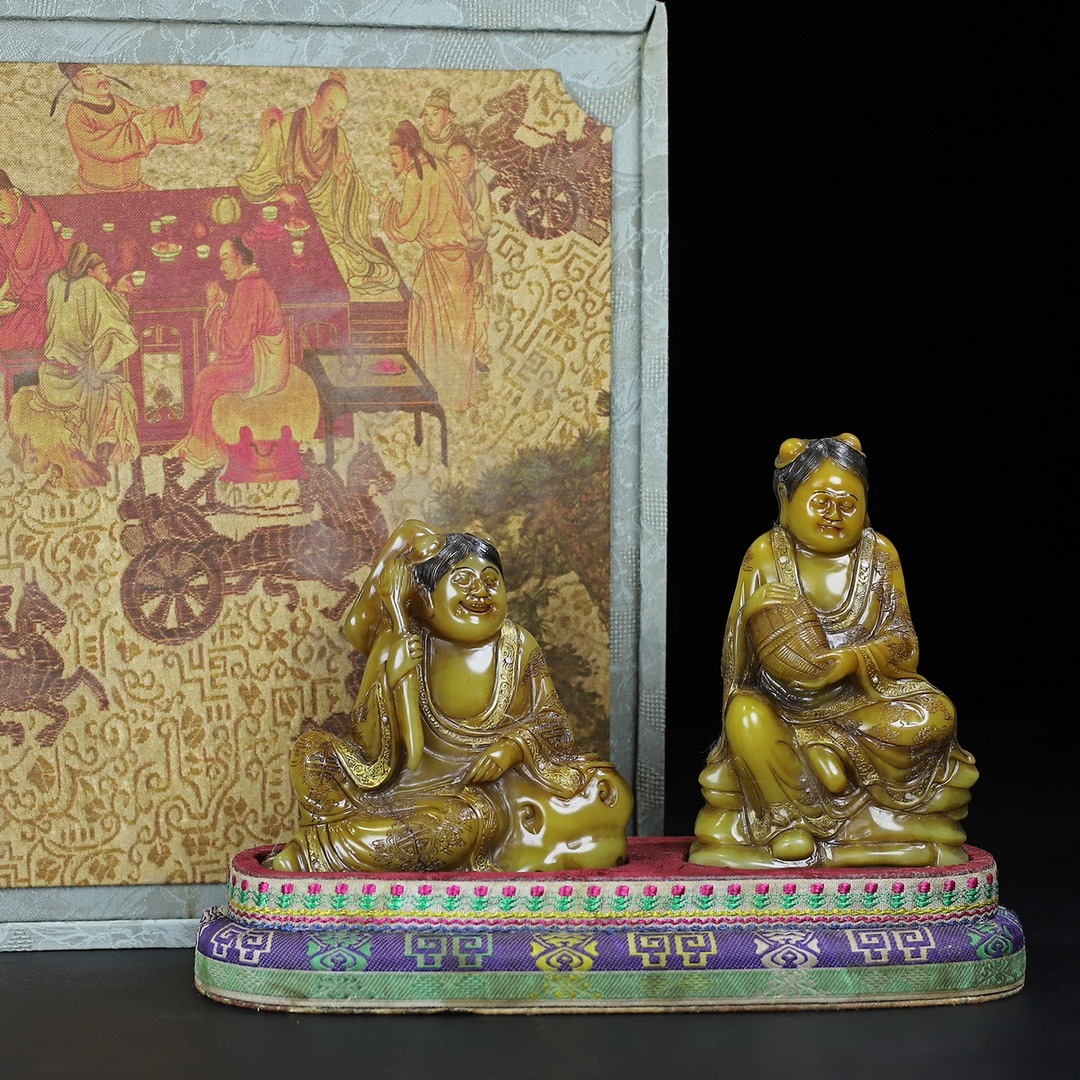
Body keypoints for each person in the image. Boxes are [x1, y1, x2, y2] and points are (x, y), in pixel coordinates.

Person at [688, 434, 977, 869]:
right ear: (785, 499)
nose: (834, 514)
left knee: (938, 713)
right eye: (820, 501)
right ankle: (790, 822)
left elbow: (905, 643)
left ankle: (824, 752)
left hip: (862, 698)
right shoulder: (765, 554)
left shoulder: (880, 554)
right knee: (744, 714)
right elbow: (734, 666)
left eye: (848, 503)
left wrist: (851, 660)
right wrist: (749, 618)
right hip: (784, 700)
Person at [269, 529, 633, 873]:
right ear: (427, 598)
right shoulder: (404, 643)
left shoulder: (518, 645)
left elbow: (552, 722)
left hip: (476, 796)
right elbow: (374, 743)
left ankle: (322, 849)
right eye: (463, 581)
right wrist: (392, 678)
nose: (480, 592)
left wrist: (512, 747)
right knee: (311, 753)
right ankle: (342, 840)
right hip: (398, 786)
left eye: (491, 581)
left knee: (469, 824)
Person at [235, 71, 399, 297]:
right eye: (330, 108)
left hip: (324, 221)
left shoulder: (339, 138)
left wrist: (341, 178)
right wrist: (280, 191)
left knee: (337, 254)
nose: (333, 118)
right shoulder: (286, 126)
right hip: (285, 214)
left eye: (340, 114)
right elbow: (259, 173)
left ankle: (360, 271)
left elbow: (352, 188)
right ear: (317, 98)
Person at [7, 242, 139, 489]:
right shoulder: (91, 287)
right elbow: (118, 327)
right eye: (103, 271)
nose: (106, 277)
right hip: (74, 382)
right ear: (90, 271)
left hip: (49, 377)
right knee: (119, 395)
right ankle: (100, 463)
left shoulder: (55, 281)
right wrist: (119, 294)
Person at [377, 120, 476, 411]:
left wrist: (386, 203)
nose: (391, 159)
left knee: (433, 332)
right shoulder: (440, 167)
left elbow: (405, 229)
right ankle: (456, 399)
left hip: (441, 266)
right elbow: (465, 213)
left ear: (407, 150)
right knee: (456, 335)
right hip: (460, 263)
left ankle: (431, 397)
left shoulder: (415, 177)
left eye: (394, 152)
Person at [168, 237, 286, 470]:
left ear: (240, 259)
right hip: (257, 357)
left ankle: (206, 450)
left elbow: (232, 343)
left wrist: (214, 306)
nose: (221, 267)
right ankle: (206, 445)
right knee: (209, 375)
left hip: (262, 365)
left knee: (205, 380)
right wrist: (223, 305)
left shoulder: (249, 287)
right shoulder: (252, 283)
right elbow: (239, 327)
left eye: (225, 259)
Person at [54, 63, 205, 195]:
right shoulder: (77, 113)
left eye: (99, 72)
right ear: (77, 82)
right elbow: (104, 147)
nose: (100, 78)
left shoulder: (119, 103)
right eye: (89, 74)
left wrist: (188, 108)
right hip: (94, 193)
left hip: (135, 189)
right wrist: (140, 124)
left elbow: (151, 121)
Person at [0, 170, 67, 353]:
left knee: (6, 340)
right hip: (16, 294)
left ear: (14, 193)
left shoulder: (34, 215)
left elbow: (21, 269)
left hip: (41, 297)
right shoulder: (5, 217)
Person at [447, 136, 493, 373]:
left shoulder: (478, 185)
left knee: (477, 306)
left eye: (462, 159)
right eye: (451, 161)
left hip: (475, 257)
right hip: (450, 258)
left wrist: (465, 221)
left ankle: (479, 354)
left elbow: (485, 224)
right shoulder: (445, 186)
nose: (456, 165)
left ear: (473, 162)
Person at [417, 87, 466, 163]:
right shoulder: (422, 132)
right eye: (426, 114)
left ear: (446, 114)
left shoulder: (457, 132)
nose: (430, 119)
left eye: (435, 114)